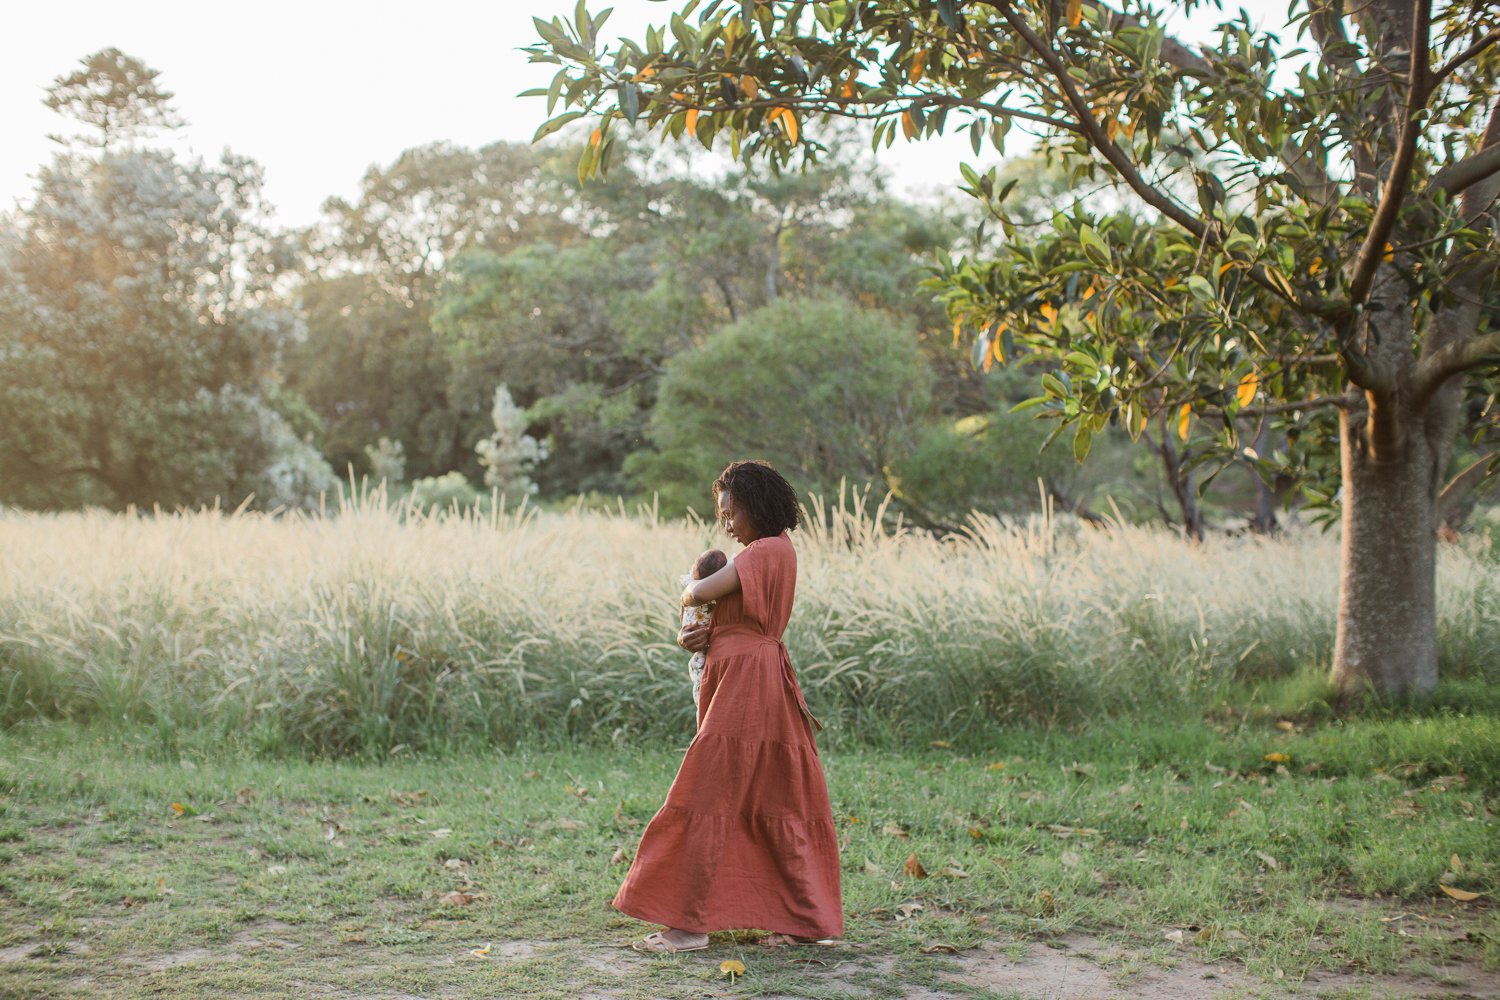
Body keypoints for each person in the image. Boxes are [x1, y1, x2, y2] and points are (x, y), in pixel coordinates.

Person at [613, 460, 843, 953]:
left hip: (748, 683)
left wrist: (690, 589)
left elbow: (697, 590)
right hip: (737, 676)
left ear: (754, 506)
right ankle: (796, 920)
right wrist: (692, 637)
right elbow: (712, 619)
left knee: (709, 794)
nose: (726, 523)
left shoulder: (768, 550)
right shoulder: (762, 555)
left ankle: (689, 925)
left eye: (730, 511)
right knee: (764, 797)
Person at [680, 548, 727, 716]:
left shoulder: (695, 588)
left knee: (703, 689)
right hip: (707, 647)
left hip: (710, 652)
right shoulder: (721, 587)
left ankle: (703, 712)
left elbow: (685, 607)